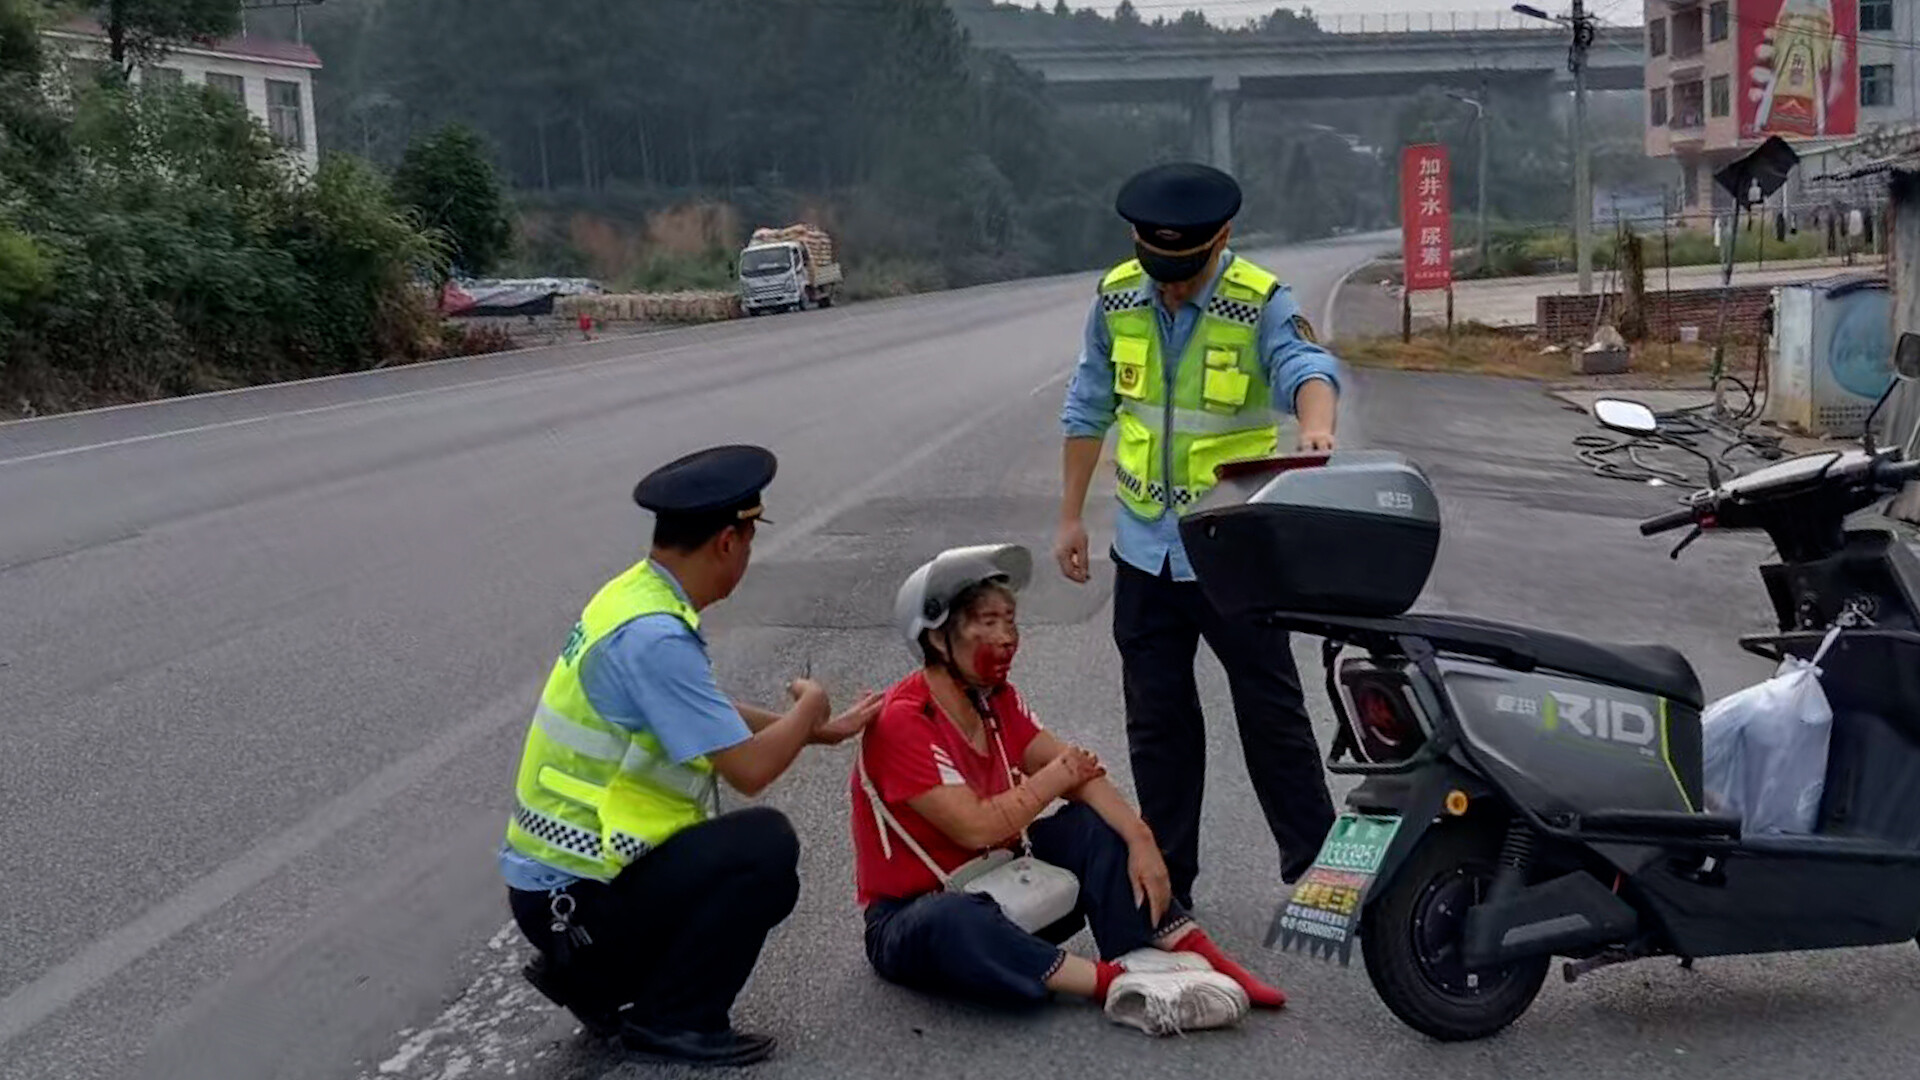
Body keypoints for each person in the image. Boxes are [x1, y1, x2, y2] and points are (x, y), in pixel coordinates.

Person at [499, 444, 883, 1068]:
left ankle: (593, 981)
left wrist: (820, 730)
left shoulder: (632, 596)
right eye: (751, 540)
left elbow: (701, 714)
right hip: (570, 901)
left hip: (561, 888)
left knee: (743, 859)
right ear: (728, 542)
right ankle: (672, 1019)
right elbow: (751, 771)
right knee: (763, 850)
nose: (749, 557)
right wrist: (809, 707)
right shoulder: (653, 638)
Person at [1053, 161, 1342, 910]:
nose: (1172, 285)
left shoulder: (1259, 301)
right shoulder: (1118, 296)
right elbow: (1088, 405)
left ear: (1223, 239)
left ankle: (1323, 876)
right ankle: (1169, 881)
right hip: (1145, 549)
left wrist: (1315, 426)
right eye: (1160, 267)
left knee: (1272, 712)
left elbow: (1306, 365)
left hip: (1232, 549)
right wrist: (1070, 516)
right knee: (1158, 725)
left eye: (1186, 268)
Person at [851, 543, 1287, 1037]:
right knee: (953, 920)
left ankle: (1169, 951)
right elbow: (976, 827)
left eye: (1009, 621)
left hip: (1009, 891)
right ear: (936, 636)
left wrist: (1142, 841)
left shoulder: (996, 701)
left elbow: (1082, 776)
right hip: (918, 919)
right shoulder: (903, 721)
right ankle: (1118, 983)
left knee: (1094, 825)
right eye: (986, 622)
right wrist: (1054, 778)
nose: (1005, 636)